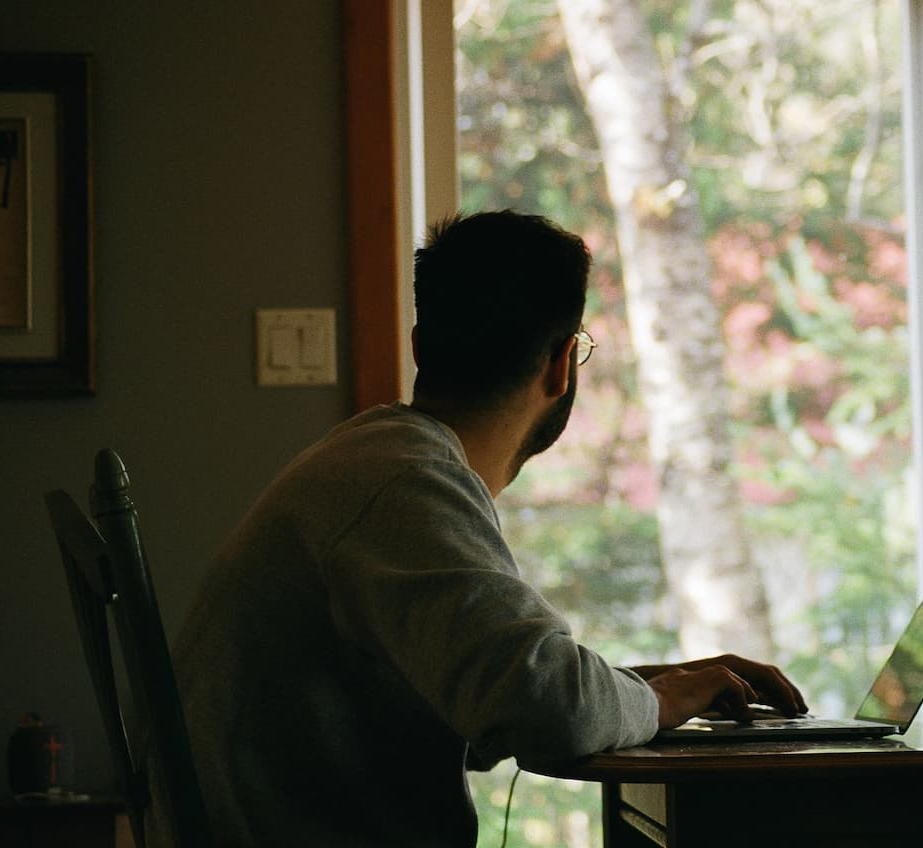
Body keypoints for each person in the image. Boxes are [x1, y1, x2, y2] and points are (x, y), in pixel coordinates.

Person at [149, 210, 806, 847]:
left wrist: (652, 689)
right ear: (563, 365)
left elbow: (506, 687)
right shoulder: (404, 483)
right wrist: (659, 703)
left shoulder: (374, 460)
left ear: (418, 345)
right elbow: (549, 708)